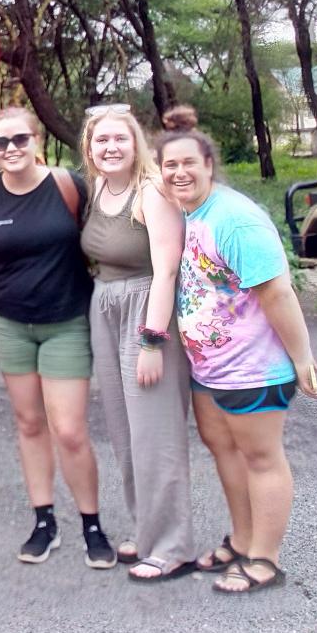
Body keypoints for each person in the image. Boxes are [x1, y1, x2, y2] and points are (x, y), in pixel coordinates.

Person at [157, 129, 317, 593]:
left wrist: (302, 357)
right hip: (210, 368)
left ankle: (265, 560)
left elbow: (277, 292)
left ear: (209, 163)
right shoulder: (190, 213)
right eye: (170, 166)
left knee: (261, 458)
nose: (180, 172)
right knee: (224, 450)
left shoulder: (236, 219)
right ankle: (242, 539)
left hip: (253, 367)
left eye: (189, 162)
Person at [0, 108, 117, 569]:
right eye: (0, 143)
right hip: (10, 324)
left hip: (67, 321)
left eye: (19, 140)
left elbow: (111, 233)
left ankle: (92, 524)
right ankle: (43, 521)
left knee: (68, 430)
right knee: (29, 424)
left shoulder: (70, 186)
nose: (11, 150)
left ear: (37, 140)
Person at [79, 104, 196, 582]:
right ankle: (145, 530)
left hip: (146, 310)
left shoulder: (151, 193)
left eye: (120, 140)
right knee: (124, 433)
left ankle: (172, 546)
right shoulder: (98, 190)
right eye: (101, 141)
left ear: (137, 145)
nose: (111, 148)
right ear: (89, 148)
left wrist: (152, 340)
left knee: (156, 432)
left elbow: (167, 268)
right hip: (104, 306)